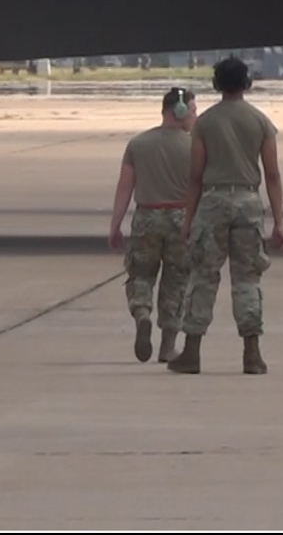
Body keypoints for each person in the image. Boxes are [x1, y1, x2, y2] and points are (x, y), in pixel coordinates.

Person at [170, 56, 283, 376]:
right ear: (247, 83)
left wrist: (188, 219)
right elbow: (273, 175)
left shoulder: (205, 123)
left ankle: (192, 352)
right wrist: (278, 221)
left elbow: (195, 176)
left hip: (213, 201)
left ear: (216, 84)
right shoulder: (261, 122)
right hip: (249, 202)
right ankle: (252, 353)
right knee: (248, 278)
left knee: (203, 277)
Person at [108, 86, 198, 365]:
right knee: (177, 281)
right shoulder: (195, 146)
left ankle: (142, 315)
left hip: (146, 218)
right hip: (180, 219)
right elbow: (201, 187)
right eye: (193, 110)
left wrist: (115, 225)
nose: (196, 116)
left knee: (141, 276)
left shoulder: (137, 144)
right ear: (180, 112)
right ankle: (167, 347)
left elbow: (124, 188)